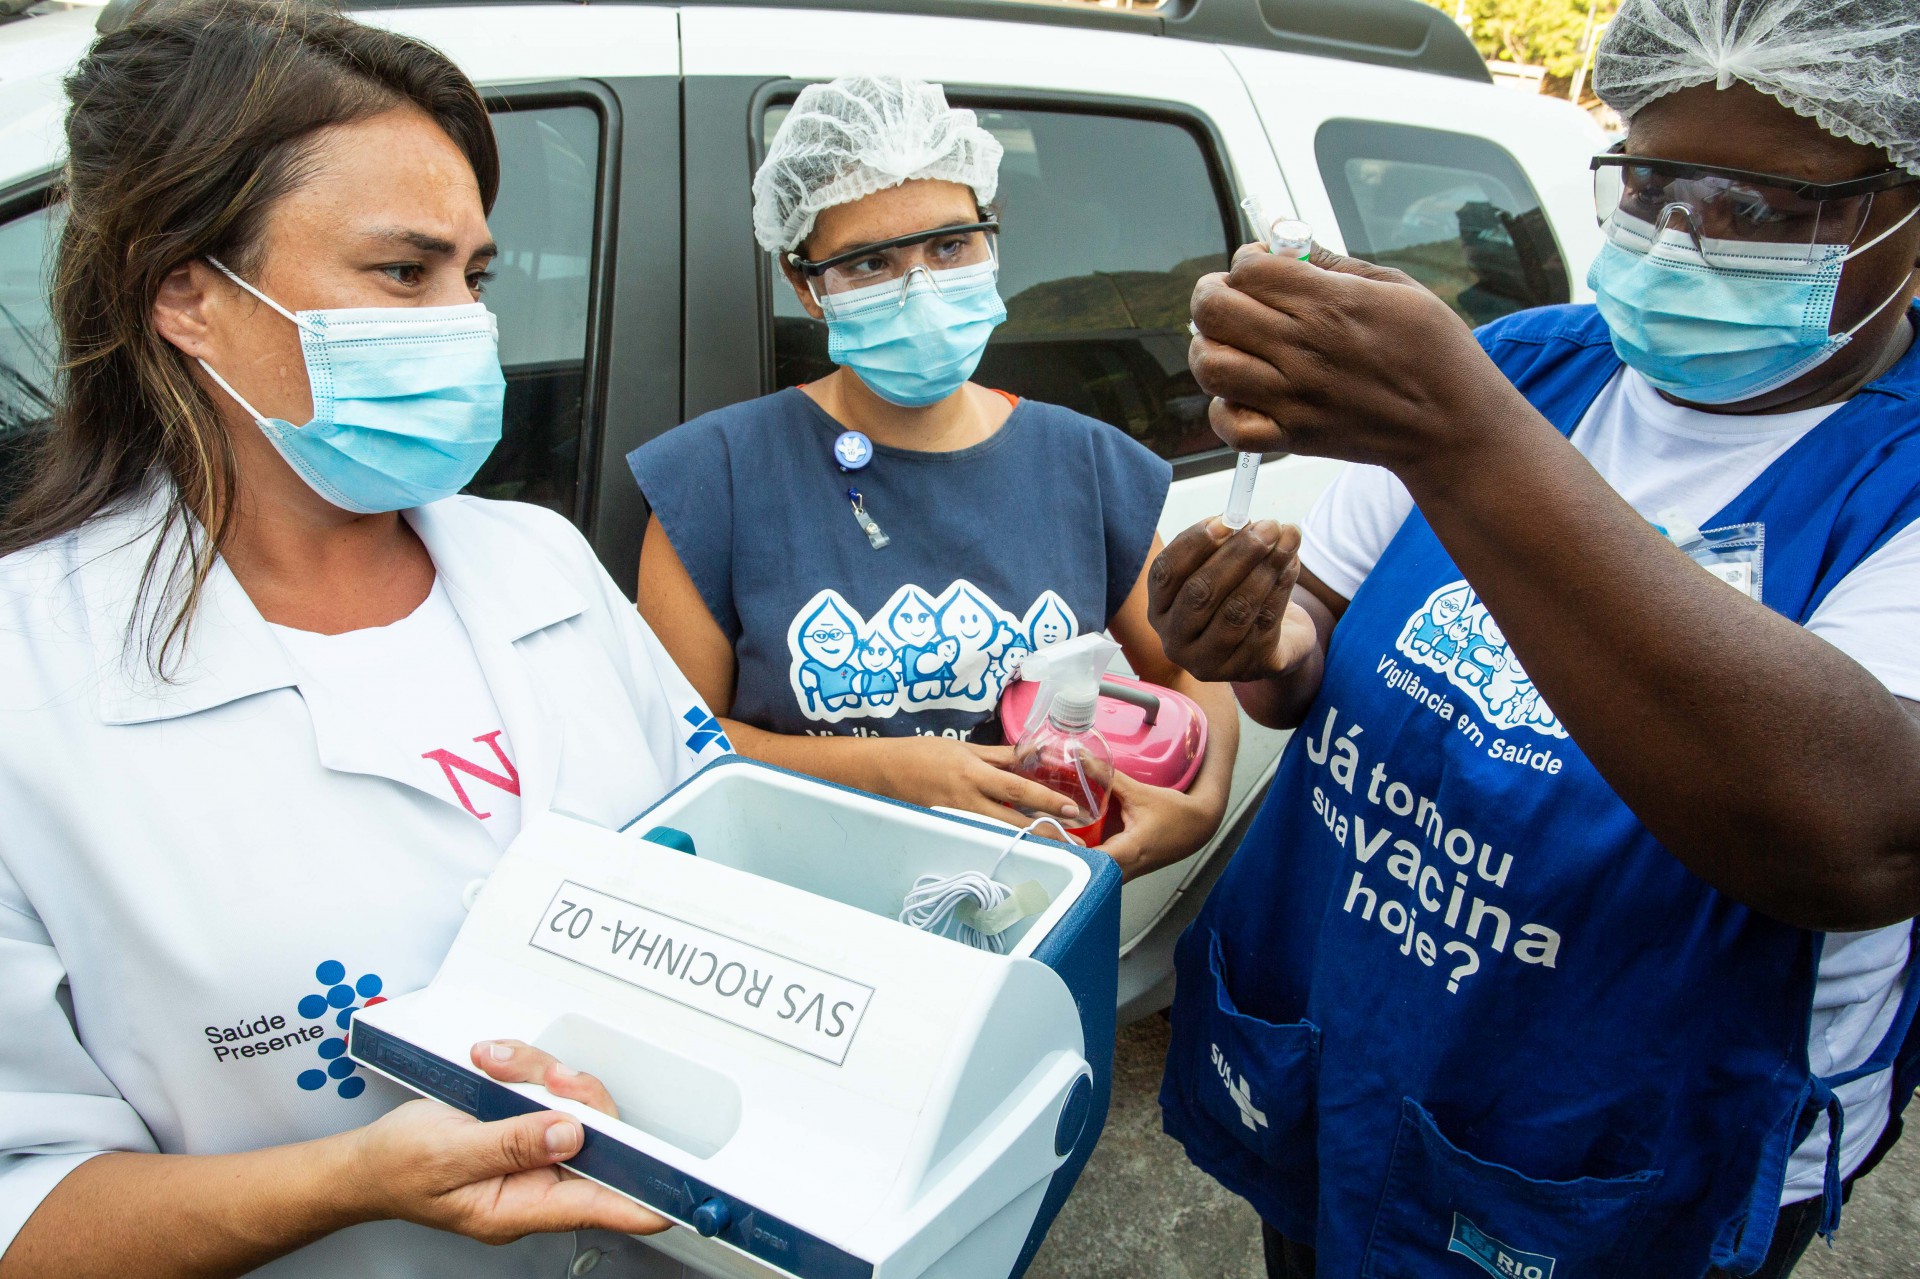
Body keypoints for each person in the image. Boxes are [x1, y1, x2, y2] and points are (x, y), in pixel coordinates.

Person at [1149, 2, 1920, 1277]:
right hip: (1358, 1042)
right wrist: (1254, 642)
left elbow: (1859, 837)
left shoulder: (1880, 481)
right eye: (1656, 180)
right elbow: (1313, 638)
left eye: (1767, 206)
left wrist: (1461, 436)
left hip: (1620, 1145)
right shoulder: (1526, 366)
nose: (1685, 232)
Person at [0, 3, 719, 1274]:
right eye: (404, 273)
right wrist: (348, 1182)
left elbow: (725, 869)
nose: (465, 324)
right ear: (187, 294)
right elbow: (22, 1205)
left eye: (475, 276)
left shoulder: (539, 565)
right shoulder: (28, 680)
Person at [629, 75, 1238, 877]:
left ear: (992, 243)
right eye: (869, 262)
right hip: (799, 924)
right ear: (805, 285)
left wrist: (1202, 802)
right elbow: (679, 742)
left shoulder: (1083, 465)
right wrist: (894, 773)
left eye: (950, 246)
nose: (919, 287)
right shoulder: (715, 480)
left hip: (1028, 921)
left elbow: (1189, 665)